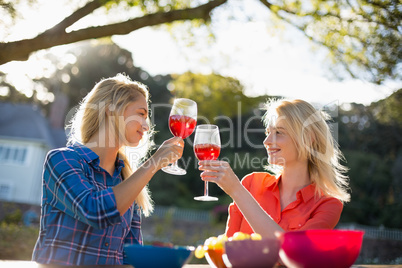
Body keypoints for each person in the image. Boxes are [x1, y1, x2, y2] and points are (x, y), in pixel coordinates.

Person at [32, 74, 184, 265]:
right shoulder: (62, 160)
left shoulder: (127, 180)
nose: (146, 126)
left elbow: (130, 255)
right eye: (141, 114)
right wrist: (152, 164)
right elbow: (95, 211)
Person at [199, 99, 350, 239]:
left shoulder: (328, 205)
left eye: (278, 132)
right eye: (268, 133)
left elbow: (292, 252)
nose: (266, 141)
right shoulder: (251, 183)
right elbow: (227, 249)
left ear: (308, 139)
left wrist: (237, 191)